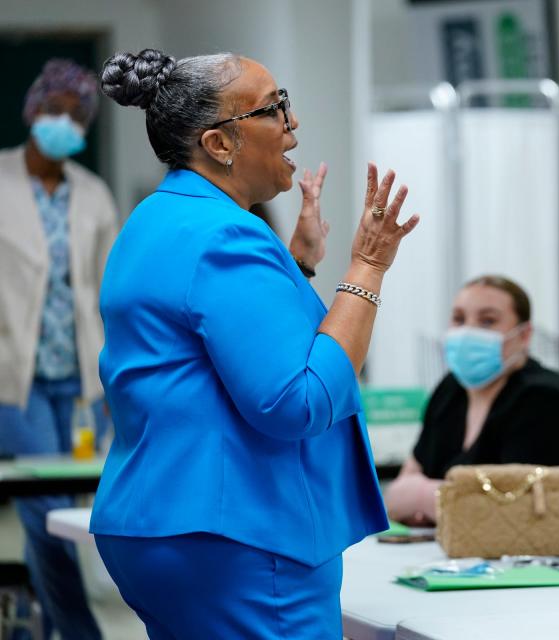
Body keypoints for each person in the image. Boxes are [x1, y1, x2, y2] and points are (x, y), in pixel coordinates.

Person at [90, 48, 418, 638]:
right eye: (274, 109)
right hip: (241, 536)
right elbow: (297, 401)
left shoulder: (155, 220)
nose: (292, 125)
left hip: (159, 525)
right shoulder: (226, 237)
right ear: (220, 144)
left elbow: (208, 343)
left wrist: (297, 266)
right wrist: (367, 267)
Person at [384, 275, 559, 567]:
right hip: (476, 562)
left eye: (487, 321)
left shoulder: (544, 400)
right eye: (459, 319)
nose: (468, 331)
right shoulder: (451, 391)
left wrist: (424, 496)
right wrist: (448, 502)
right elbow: (396, 496)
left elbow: (520, 518)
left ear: (523, 336)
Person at [0, 58, 119, 640]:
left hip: (80, 381)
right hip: (13, 379)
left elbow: (111, 290)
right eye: (55, 110)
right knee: (46, 510)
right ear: (33, 110)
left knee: (67, 514)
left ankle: (47, 624)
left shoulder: (94, 195)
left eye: (77, 116)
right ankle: (80, 631)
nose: (64, 123)